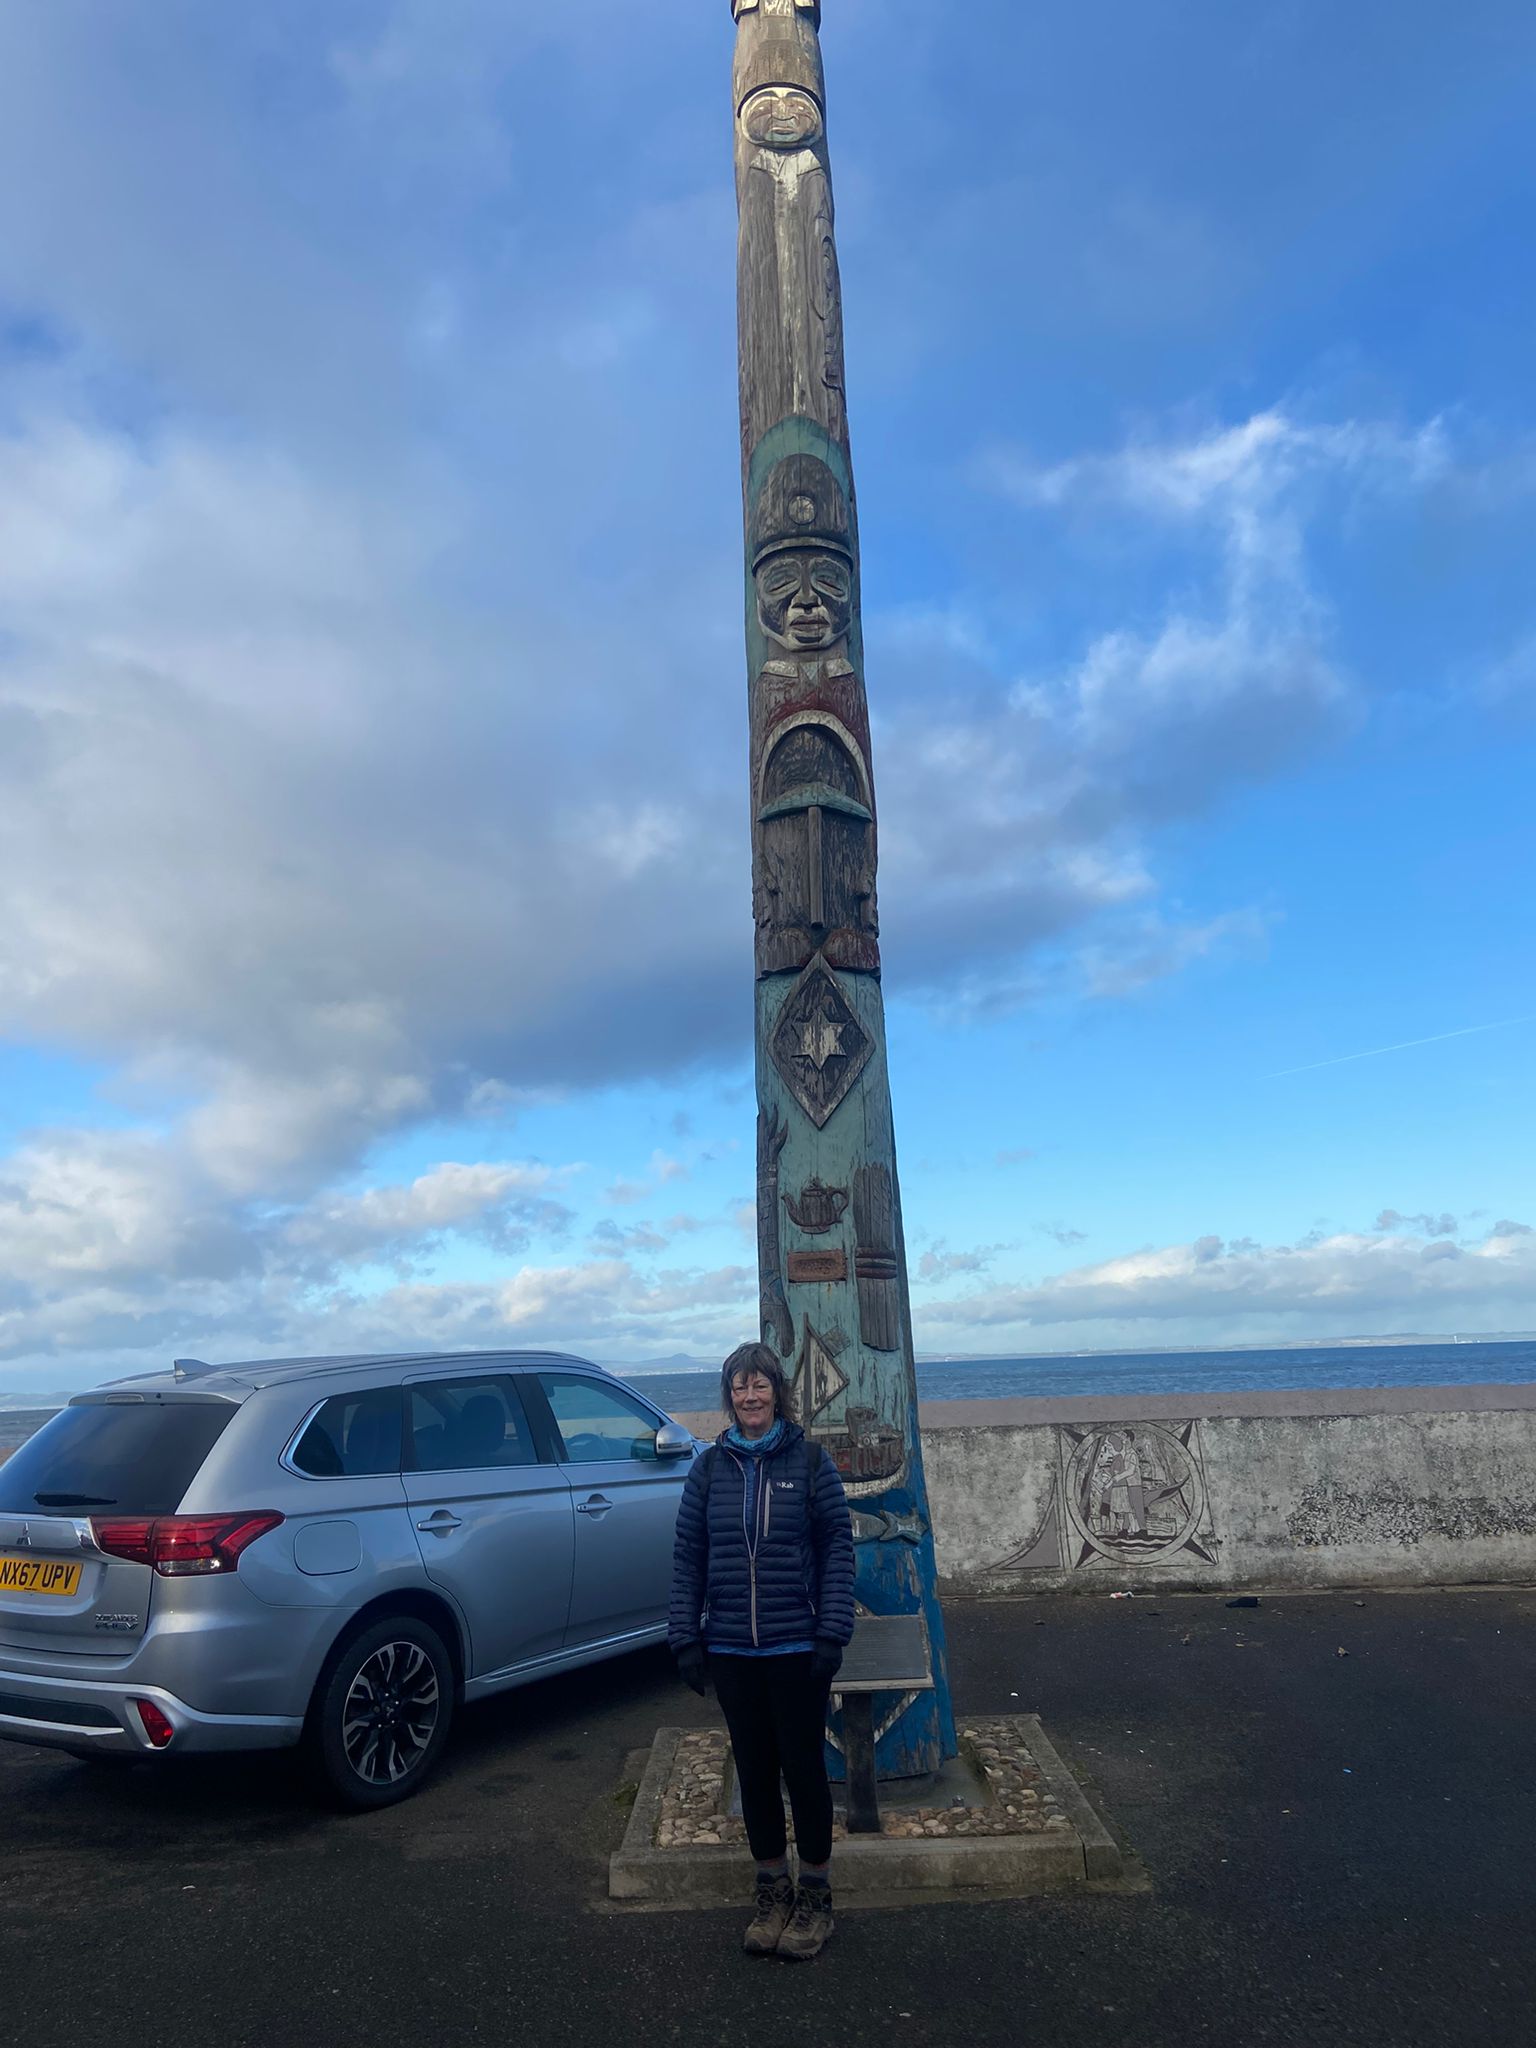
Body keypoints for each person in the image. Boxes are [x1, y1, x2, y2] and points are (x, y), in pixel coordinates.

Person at [668, 1340, 855, 1961]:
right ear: (730, 1396)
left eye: (760, 1385)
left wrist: (831, 1632)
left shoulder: (809, 1461)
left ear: (778, 1391)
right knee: (754, 1771)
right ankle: (772, 1888)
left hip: (795, 1644)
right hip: (730, 1647)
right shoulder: (709, 1469)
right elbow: (689, 1557)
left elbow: (836, 1550)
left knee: (803, 1769)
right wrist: (685, 1638)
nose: (750, 1397)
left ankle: (816, 1897)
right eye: (739, 1387)